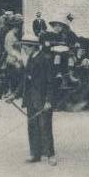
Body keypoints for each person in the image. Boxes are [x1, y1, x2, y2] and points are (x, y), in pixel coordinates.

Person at [23, 33, 57, 166]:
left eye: (25, 47)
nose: (24, 49)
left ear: (32, 47)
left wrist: (49, 100)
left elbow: (50, 82)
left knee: (45, 126)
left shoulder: (45, 59)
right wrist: (14, 95)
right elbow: (26, 80)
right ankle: (35, 154)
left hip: (43, 100)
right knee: (32, 126)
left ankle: (50, 155)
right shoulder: (30, 57)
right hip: (31, 99)